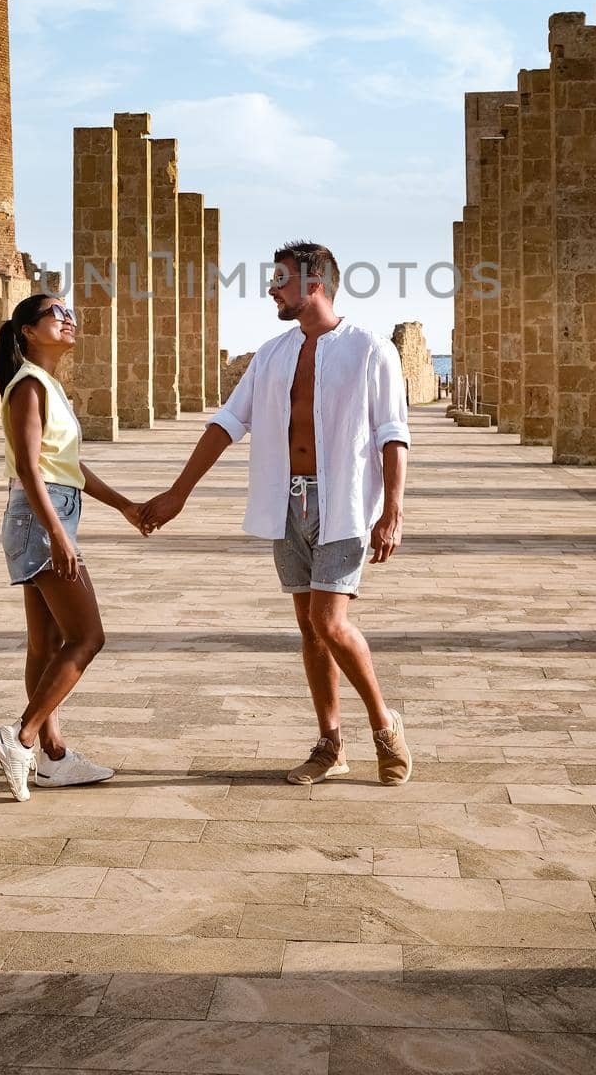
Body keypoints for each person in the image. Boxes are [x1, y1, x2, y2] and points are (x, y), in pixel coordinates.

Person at [142, 240, 413, 787]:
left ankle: (385, 727)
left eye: (281, 279)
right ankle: (330, 742)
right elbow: (226, 423)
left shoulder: (370, 350)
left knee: (328, 621)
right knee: (308, 629)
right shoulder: (271, 353)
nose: (272, 289)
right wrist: (178, 494)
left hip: (346, 505)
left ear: (316, 285)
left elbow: (392, 434)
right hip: (286, 501)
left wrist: (394, 511)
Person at [0, 292, 145, 801]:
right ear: (29, 331)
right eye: (56, 313)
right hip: (42, 518)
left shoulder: (48, 386)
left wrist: (124, 505)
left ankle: (53, 757)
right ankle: (23, 736)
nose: (68, 318)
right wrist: (58, 533)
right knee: (88, 637)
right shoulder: (29, 387)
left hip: (50, 511)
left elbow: (69, 469)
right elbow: (31, 470)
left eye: (69, 311)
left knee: (45, 645)